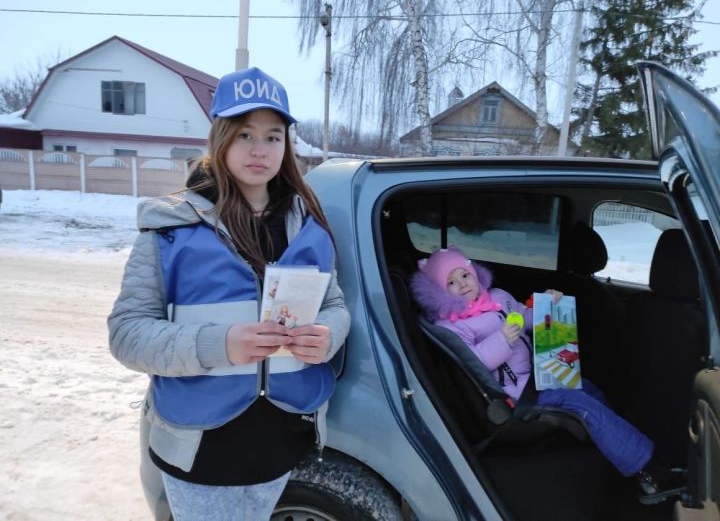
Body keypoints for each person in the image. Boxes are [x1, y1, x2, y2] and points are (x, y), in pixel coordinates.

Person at [108, 67, 350, 521]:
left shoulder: (309, 226)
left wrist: (327, 335)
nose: (260, 150)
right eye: (244, 134)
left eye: (273, 137)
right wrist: (219, 346)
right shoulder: (169, 229)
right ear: (220, 138)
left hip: (282, 438)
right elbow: (127, 333)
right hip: (203, 450)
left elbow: (334, 306)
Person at [410, 246, 685, 505]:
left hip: (537, 375)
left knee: (588, 389)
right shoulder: (453, 326)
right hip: (516, 397)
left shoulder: (497, 298)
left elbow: (524, 317)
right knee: (581, 405)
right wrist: (502, 340)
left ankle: (615, 447)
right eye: (451, 283)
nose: (463, 284)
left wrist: (545, 307)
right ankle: (647, 474)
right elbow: (476, 363)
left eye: (465, 275)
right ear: (439, 292)